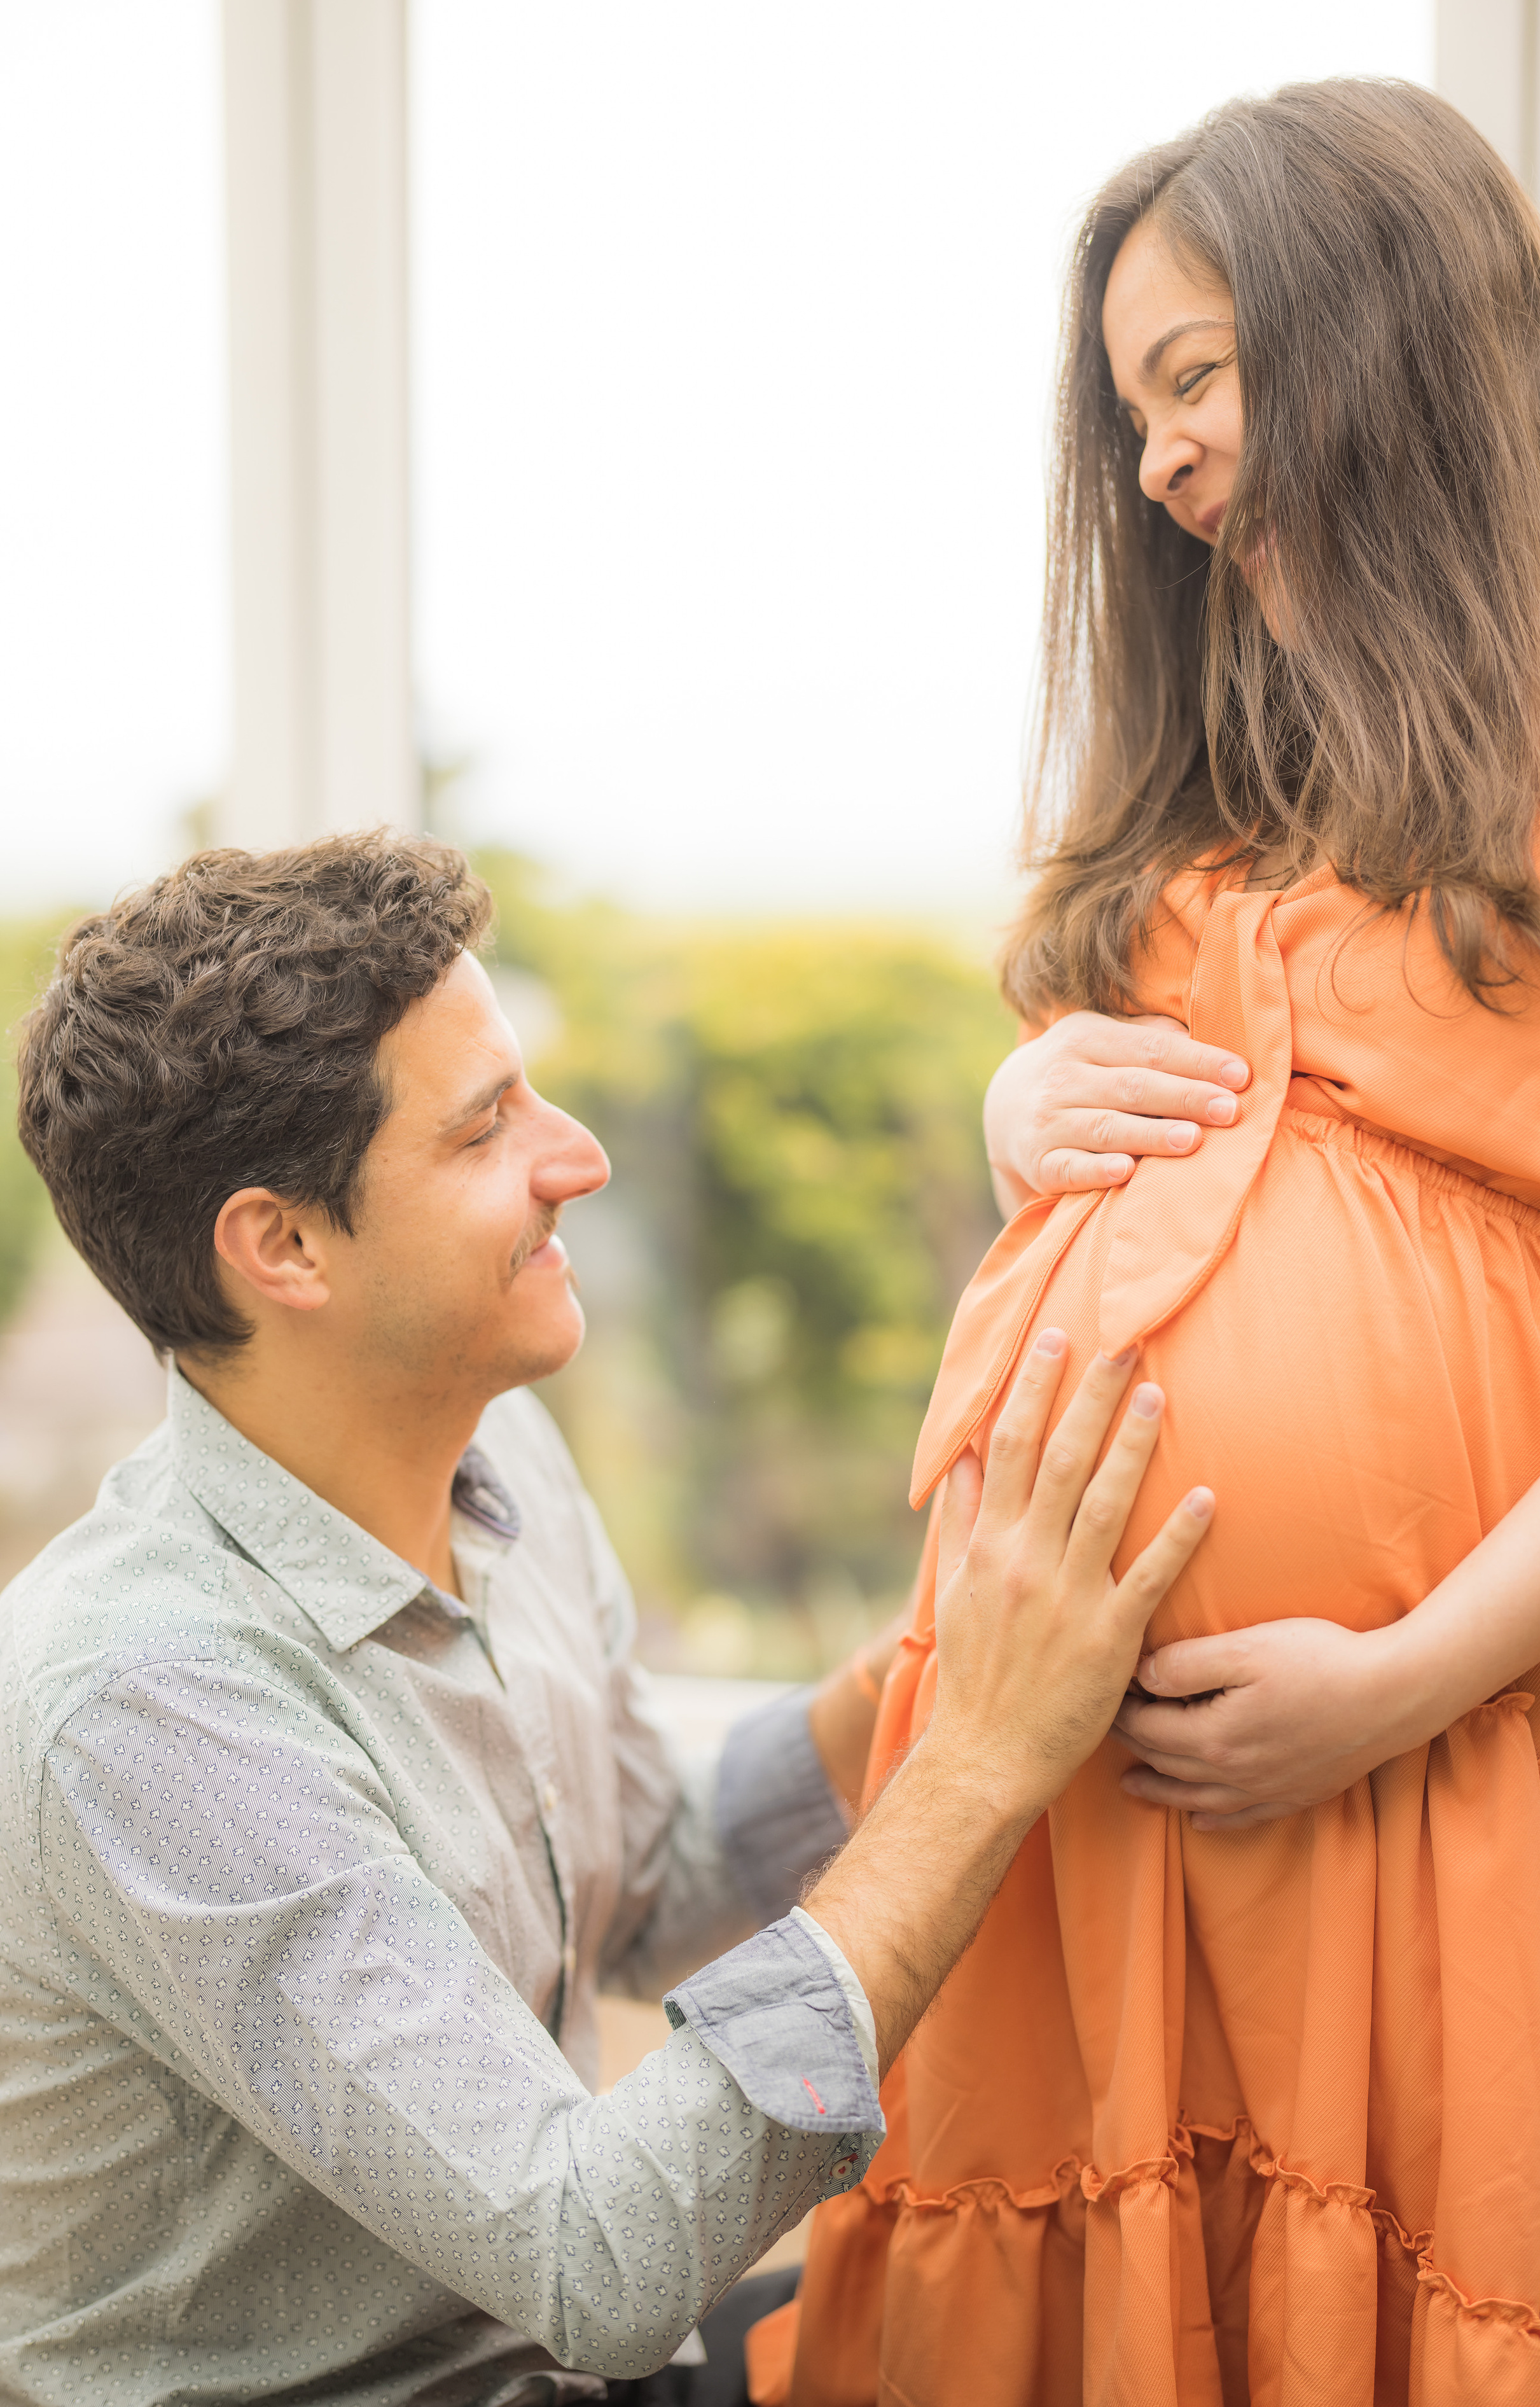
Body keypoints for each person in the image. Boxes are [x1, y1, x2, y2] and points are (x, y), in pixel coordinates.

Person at [782, 80, 1540, 2407]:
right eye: (1131, 408)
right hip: (1084, 1782)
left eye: (1199, 377)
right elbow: (1171, 1090)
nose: (1158, 465)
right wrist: (1013, 1104)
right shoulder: (1272, 736)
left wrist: (1406, 1667)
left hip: (1439, 1737)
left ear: (1393, 333)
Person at [0, 834, 1215, 2407]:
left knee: (1024, 2315)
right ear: (282, 1245)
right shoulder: (149, 1712)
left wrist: (933, 1653)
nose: (577, 1155)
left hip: (540, 2360)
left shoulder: (490, 1445)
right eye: (484, 1127)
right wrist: (975, 1759)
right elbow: (603, 2259)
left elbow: (645, 1887)